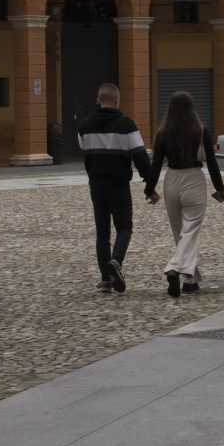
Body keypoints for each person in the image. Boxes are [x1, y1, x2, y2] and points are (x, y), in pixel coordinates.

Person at [77, 82, 156, 294]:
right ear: (117, 101)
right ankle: (116, 261)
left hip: (97, 185)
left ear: (98, 100)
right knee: (124, 227)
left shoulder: (84, 126)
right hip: (119, 184)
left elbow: (85, 152)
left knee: (102, 231)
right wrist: (150, 186)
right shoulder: (127, 125)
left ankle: (105, 279)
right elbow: (140, 157)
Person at [147, 91, 224, 298]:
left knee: (179, 232)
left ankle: (190, 280)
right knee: (190, 230)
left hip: (171, 180)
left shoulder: (162, 133)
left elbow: (156, 165)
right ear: (192, 109)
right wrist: (219, 188)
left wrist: (149, 189)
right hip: (193, 179)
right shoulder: (200, 131)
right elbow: (212, 161)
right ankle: (174, 268)